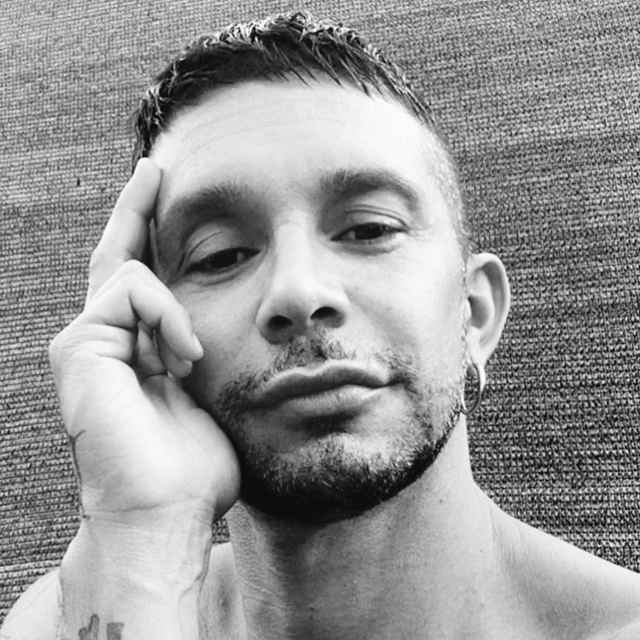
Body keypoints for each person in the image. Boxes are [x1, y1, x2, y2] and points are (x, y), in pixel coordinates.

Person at [3, 11, 640, 640]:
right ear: (155, 338)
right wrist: (137, 539)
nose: (297, 291)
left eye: (369, 230)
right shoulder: (62, 619)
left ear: (473, 313)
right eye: (220, 255)